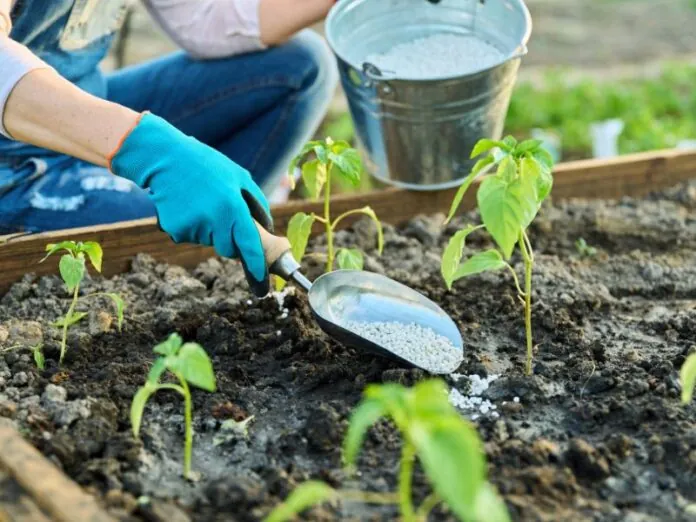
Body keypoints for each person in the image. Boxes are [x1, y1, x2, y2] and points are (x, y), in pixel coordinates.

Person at [0, 0, 339, 296]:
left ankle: (233, 223)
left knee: (301, 66)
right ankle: (214, 251)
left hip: (88, 101)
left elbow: (202, 16)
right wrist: (149, 150)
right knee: (175, 237)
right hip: (13, 164)